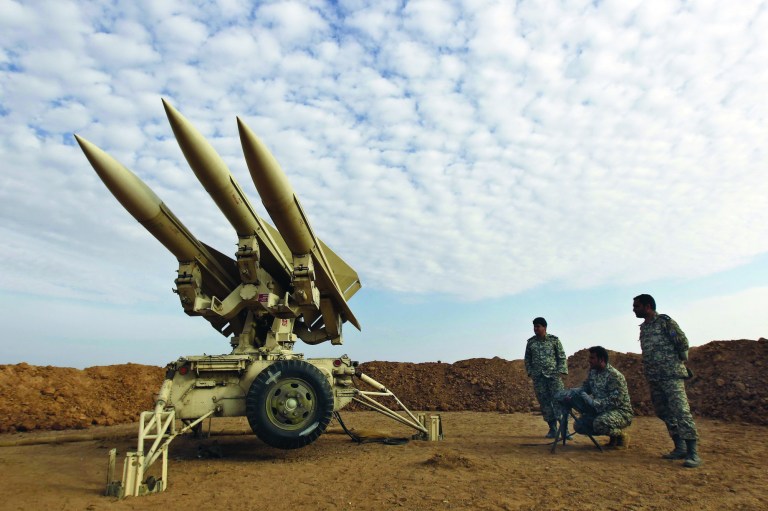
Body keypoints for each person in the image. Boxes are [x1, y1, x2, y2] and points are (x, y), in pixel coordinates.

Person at [633, 294, 701, 468]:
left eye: (637, 306)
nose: (634, 309)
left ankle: (693, 453)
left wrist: (677, 362)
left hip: (671, 375)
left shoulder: (664, 322)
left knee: (681, 411)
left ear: (648, 306)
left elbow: (682, 342)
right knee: (663, 412)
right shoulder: (644, 328)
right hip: (654, 377)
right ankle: (680, 447)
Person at [558, 346, 633, 448]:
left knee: (599, 423)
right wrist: (573, 392)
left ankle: (621, 436)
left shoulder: (615, 376)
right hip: (602, 410)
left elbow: (615, 401)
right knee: (579, 425)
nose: (589, 361)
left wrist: (594, 402)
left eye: (592, 358)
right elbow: (586, 387)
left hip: (620, 412)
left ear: (601, 359)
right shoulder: (593, 372)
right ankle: (613, 438)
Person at [524, 317, 568, 438]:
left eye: (538, 326)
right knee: (545, 403)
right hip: (538, 378)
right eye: (534, 326)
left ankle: (565, 430)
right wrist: (530, 372)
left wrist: (560, 371)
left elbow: (561, 356)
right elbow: (527, 359)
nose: (535, 329)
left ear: (545, 327)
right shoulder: (531, 343)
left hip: (554, 377)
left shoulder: (554, 340)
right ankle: (552, 429)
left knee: (559, 401)